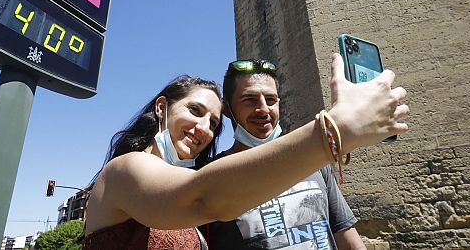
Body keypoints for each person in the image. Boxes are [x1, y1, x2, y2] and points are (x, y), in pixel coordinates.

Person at [84, 55, 409, 249]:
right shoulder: (123, 171)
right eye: (195, 111)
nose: (204, 129)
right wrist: (333, 133)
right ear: (161, 108)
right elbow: (203, 198)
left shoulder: (194, 180)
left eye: (212, 122)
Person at [202, 59, 367, 250]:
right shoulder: (210, 176)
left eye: (271, 100)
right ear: (226, 109)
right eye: (250, 100)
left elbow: (346, 236)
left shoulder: (313, 161)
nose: (264, 109)